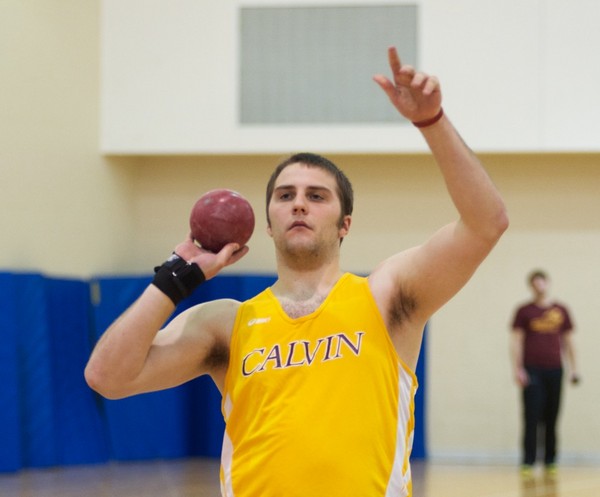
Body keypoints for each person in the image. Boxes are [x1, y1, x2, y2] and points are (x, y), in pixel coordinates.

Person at [85, 46, 509, 497]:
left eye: (317, 195)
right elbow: (107, 378)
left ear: (345, 224)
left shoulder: (386, 297)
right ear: (268, 224)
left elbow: (487, 224)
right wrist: (174, 278)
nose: (299, 203)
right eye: (285, 195)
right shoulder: (225, 325)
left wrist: (432, 121)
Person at [510, 270, 580, 477]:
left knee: (552, 416)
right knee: (532, 416)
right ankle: (528, 461)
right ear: (531, 286)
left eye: (542, 282)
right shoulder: (524, 311)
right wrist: (517, 368)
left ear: (548, 283)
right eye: (535, 283)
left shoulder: (561, 310)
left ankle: (550, 460)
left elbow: (569, 341)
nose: (539, 286)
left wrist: (574, 368)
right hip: (532, 370)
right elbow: (516, 341)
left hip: (555, 369)